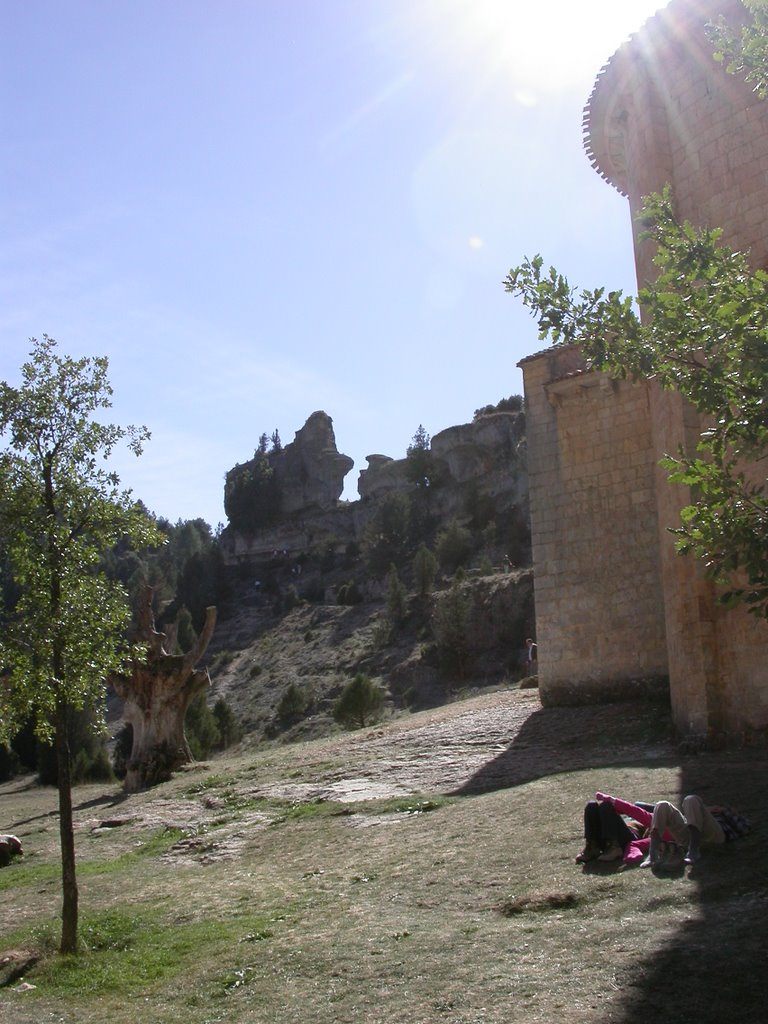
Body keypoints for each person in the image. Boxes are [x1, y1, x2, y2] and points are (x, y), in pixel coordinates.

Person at [642, 795, 750, 867]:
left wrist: (725, 811)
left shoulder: (721, 811)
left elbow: (744, 828)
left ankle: (693, 852)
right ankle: (652, 854)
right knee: (662, 804)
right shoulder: (692, 810)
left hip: (713, 836)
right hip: (690, 835)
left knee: (691, 798)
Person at [576, 793, 657, 865]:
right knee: (591, 805)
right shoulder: (637, 809)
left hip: (629, 839)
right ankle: (592, 846)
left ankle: (614, 848)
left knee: (606, 806)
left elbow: (652, 835)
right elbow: (637, 805)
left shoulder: (654, 817)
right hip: (609, 833)